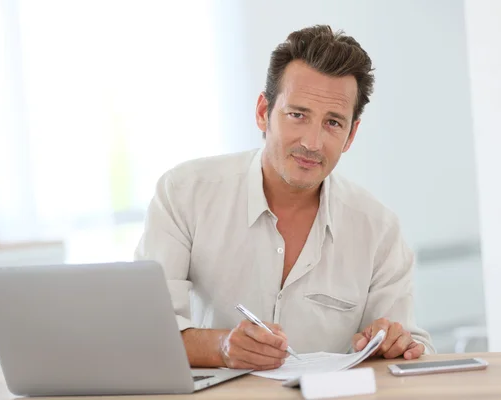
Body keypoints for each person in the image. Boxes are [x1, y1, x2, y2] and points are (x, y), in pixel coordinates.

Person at [135, 24, 435, 371]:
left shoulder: (378, 230)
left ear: (351, 135)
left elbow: (411, 347)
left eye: (333, 123)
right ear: (264, 111)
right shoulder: (184, 192)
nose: (312, 142)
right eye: (297, 115)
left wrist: (396, 345)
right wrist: (222, 347)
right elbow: (145, 332)